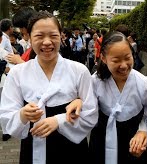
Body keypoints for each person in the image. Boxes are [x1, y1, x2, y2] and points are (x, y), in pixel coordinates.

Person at [0, 11, 98, 164]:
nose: (47, 42)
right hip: (33, 150)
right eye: (39, 36)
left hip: (72, 151)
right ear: (28, 37)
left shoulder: (79, 71)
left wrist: (58, 121)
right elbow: (6, 116)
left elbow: (91, 113)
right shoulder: (17, 74)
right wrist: (23, 115)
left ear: (61, 36)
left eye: (53, 35)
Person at [87, 31, 147, 164]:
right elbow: (86, 113)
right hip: (101, 142)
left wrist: (144, 132)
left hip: (133, 144)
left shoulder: (144, 83)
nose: (123, 65)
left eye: (127, 57)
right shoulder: (95, 82)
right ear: (104, 59)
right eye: (116, 60)